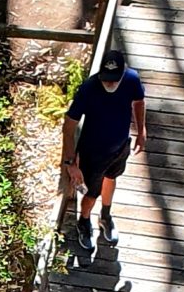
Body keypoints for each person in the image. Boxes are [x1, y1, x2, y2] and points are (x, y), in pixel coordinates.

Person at [62, 45, 146, 253]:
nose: (109, 82)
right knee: (91, 192)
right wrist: (70, 163)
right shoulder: (89, 89)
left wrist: (141, 130)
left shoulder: (132, 80)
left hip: (119, 146)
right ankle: (84, 221)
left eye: (114, 78)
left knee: (112, 177)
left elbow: (139, 102)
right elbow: (69, 126)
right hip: (92, 152)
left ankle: (105, 216)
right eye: (105, 77)